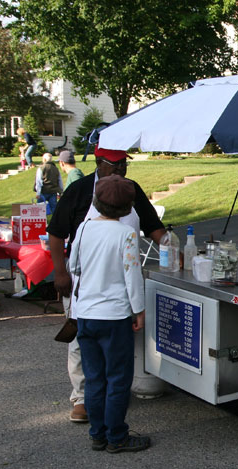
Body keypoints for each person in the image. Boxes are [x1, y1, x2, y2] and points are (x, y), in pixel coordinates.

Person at [48, 146, 165, 423]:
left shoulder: (131, 190)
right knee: (80, 344)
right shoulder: (79, 190)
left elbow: (153, 226)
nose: (120, 172)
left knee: (112, 351)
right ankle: (82, 398)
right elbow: (57, 235)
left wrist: (174, 249)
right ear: (99, 164)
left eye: (124, 166)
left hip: (112, 291)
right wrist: (60, 272)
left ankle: (106, 401)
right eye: (114, 167)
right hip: (86, 287)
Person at [69, 174, 150, 453]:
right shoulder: (126, 234)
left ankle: (97, 433)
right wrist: (138, 311)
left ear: (96, 201)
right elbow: (132, 276)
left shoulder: (83, 228)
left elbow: (74, 267)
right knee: (118, 379)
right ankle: (117, 436)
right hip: (115, 317)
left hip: (86, 314)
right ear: (129, 208)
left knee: (94, 378)